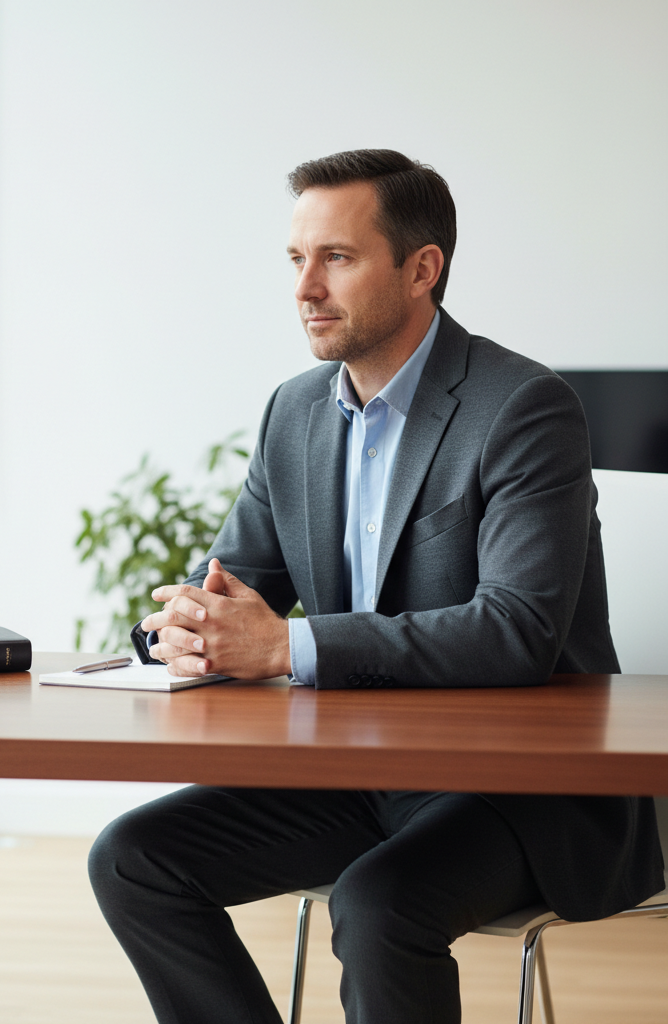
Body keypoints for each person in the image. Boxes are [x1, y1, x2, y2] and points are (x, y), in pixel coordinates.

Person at [87, 149, 664, 1024]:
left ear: (422, 268)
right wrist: (186, 623)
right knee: (133, 858)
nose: (305, 288)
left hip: (521, 790)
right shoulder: (296, 412)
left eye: (338, 258)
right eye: (296, 260)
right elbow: (231, 584)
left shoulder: (523, 407)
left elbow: (515, 631)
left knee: (380, 903)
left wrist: (284, 646)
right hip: (362, 773)